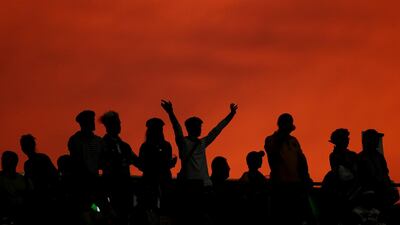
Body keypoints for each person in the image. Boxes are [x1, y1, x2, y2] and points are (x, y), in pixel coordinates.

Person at [161, 99, 237, 225]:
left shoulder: (194, 143)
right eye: (198, 126)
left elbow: (217, 130)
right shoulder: (190, 143)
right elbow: (216, 130)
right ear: (191, 128)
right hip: (199, 186)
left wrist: (231, 115)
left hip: (197, 186)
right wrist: (171, 113)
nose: (200, 128)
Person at [264, 113, 313, 225]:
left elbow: (302, 161)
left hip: (296, 185)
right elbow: (273, 155)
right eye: (287, 123)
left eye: (290, 122)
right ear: (280, 124)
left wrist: (306, 178)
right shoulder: (270, 139)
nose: (289, 125)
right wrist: (283, 135)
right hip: (280, 186)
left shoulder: (294, 141)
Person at [100, 110, 141, 225]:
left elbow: (138, 162)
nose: (119, 126)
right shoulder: (103, 144)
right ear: (108, 126)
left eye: (119, 123)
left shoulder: (124, 146)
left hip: (125, 190)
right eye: (116, 123)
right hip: (112, 189)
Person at [321, 128, 359, 225]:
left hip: (353, 189)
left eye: (347, 138)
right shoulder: (334, 156)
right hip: (340, 191)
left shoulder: (353, 155)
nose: (347, 141)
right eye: (344, 139)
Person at [138, 118, 177, 213]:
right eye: (158, 129)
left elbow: (141, 165)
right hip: (155, 182)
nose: (160, 132)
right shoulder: (164, 145)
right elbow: (142, 165)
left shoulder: (146, 146)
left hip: (158, 182)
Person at [0, 150, 31, 225]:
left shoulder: (25, 180)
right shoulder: (25, 180)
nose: (3, 162)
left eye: (6, 160)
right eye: (3, 160)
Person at [239, 151, 269, 225]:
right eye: (258, 159)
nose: (261, 161)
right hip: (254, 210)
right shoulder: (257, 177)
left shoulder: (248, 176)